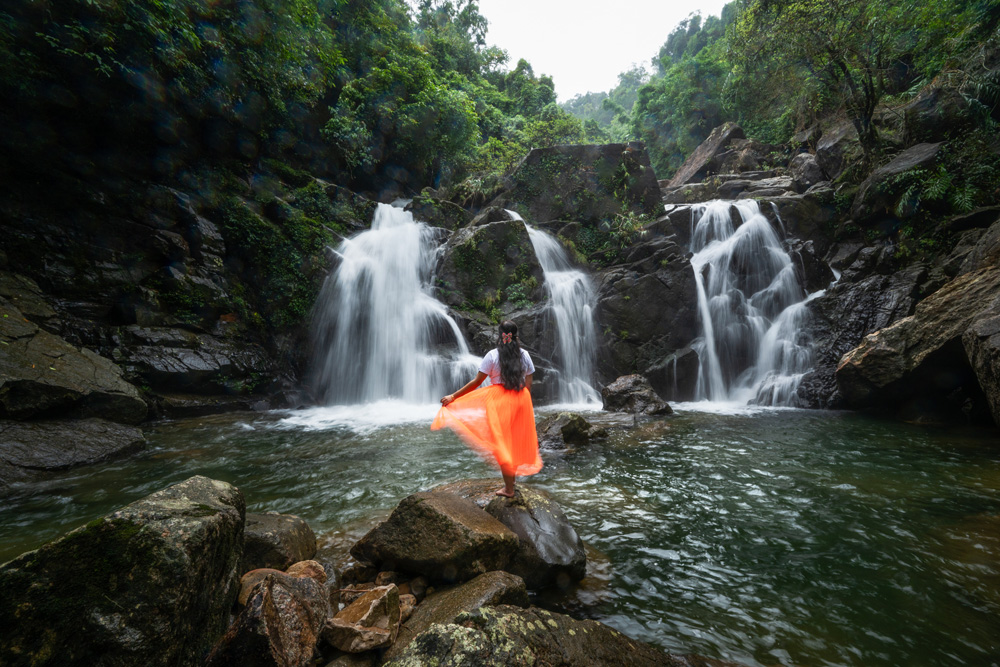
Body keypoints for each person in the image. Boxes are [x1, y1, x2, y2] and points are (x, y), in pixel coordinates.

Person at [431, 320, 542, 497]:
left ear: (500, 336)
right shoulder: (525, 355)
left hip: (498, 401)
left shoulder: (492, 355)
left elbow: (476, 383)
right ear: (516, 336)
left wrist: (453, 396)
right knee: (513, 443)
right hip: (521, 399)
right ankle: (511, 482)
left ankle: (509, 489)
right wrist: (522, 400)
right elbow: (528, 384)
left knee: (502, 444)